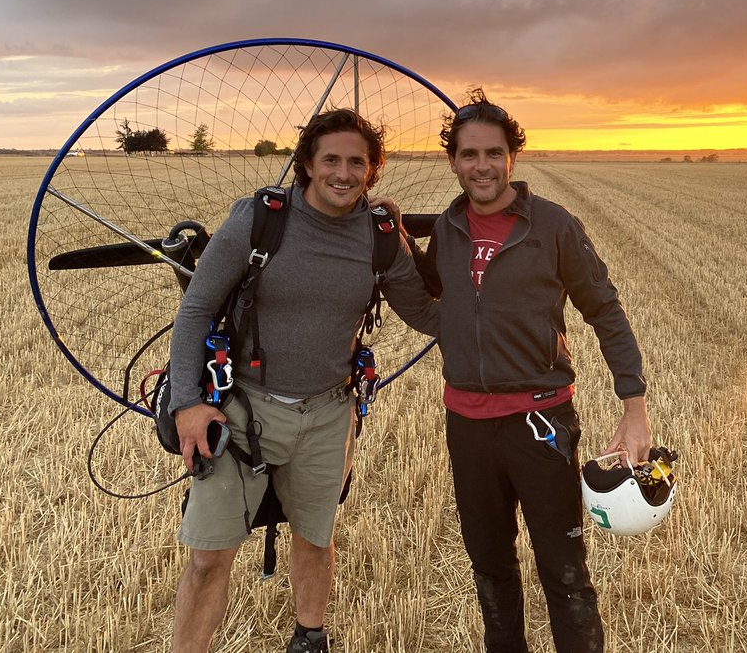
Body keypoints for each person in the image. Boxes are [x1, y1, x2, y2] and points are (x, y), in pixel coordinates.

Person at [167, 109, 437, 653]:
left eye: (356, 162)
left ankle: (309, 638)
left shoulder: (381, 237)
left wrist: (507, 298)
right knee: (208, 555)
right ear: (307, 165)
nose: (343, 172)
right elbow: (196, 309)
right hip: (241, 410)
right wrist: (187, 405)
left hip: (329, 413)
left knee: (316, 539)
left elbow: (429, 315)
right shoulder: (260, 219)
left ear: (373, 170)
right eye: (330, 159)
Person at [418, 90, 653, 653]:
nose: (482, 166)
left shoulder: (552, 226)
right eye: (469, 154)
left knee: (564, 571)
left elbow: (605, 311)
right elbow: (426, 298)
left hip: (540, 425)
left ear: (512, 159)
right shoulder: (446, 231)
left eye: (493, 153)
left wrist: (634, 405)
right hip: (467, 427)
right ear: (453, 161)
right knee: (491, 569)